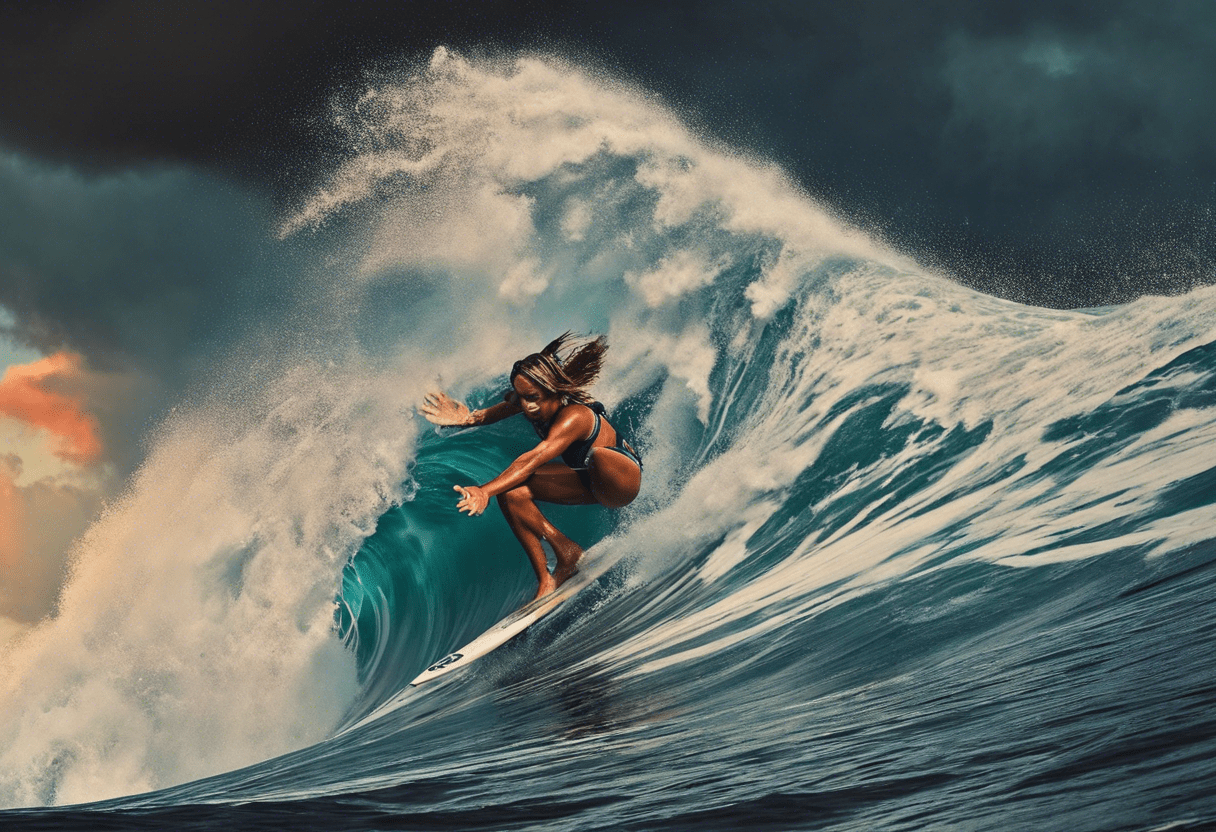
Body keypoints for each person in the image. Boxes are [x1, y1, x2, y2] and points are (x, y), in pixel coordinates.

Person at [420, 333, 642, 600]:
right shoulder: (529, 402)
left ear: (553, 390)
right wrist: (469, 418)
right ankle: (559, 562)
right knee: (513, 493)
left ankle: (564, 553)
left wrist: (484, 491)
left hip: (621, 477)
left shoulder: (574, 417)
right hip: (588, 480)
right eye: (523, 397)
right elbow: (501, 409)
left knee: (597, 457)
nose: (528, 406)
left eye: (534, 397)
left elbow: (533, 459)